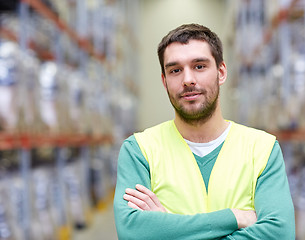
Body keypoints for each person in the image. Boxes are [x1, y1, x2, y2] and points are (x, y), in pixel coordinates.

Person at [113, 23, 295, 239]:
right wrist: (233, 218)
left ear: (221, 72)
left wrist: (167, 229)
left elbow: (279, 233)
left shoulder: (262, 149)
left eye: (199, 66)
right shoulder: (139, 151)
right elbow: (133, 231)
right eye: (175, 70)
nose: (188, 79)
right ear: (164, 81)